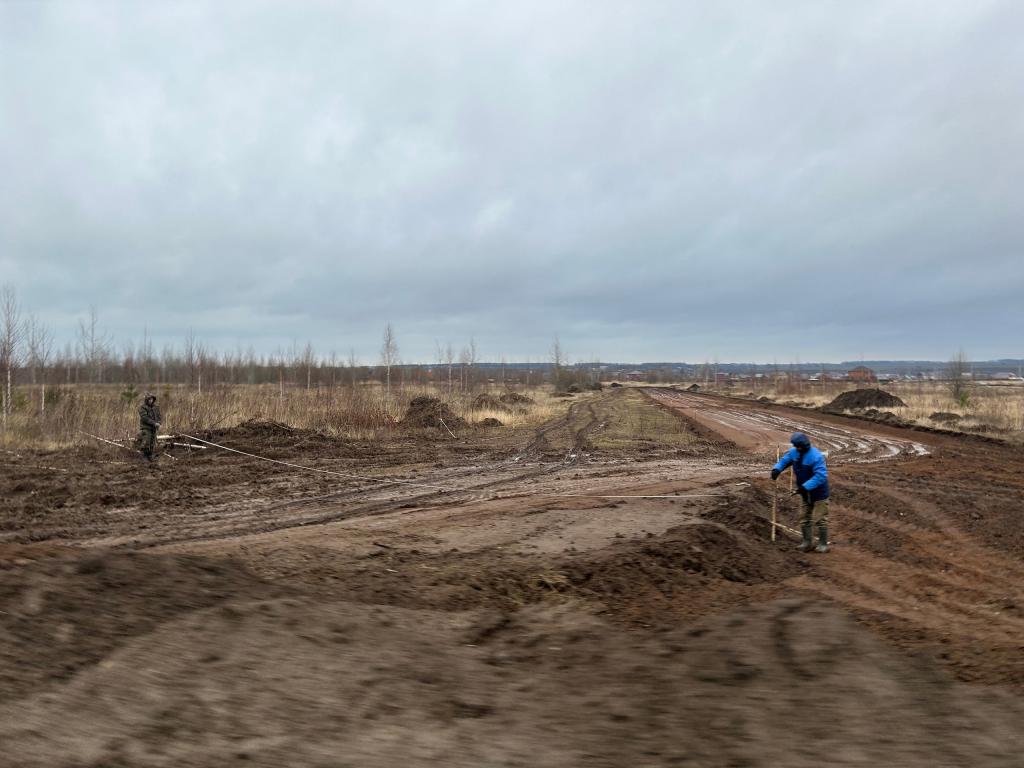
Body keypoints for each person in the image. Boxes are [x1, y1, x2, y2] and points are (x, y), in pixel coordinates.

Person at [771, 431, 830, 553]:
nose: (797, 448)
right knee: (804, 517)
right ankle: (807, 542)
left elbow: (821, 476)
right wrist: (777, 469)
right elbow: (785, 460)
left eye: (799, 446)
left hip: (819, 493)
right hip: (805, 493)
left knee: (819, 518)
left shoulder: (815, 456)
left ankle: (823, 544)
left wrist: (805, 487)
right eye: (796, 446)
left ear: (804, 445)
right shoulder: (794, 453)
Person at [135, 393, 162, 462]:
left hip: (154, 428)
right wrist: (154, 423)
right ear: (146, 400)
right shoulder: (143, 408)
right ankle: (144, 456)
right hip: (146, 428)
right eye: (149, 399)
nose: (151, 400)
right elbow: (144, 418)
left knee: (152, 442)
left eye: (152, 399)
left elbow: (159, 416)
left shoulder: (156, 407)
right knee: (146, 441)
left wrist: (159, 423)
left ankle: (150, 456)